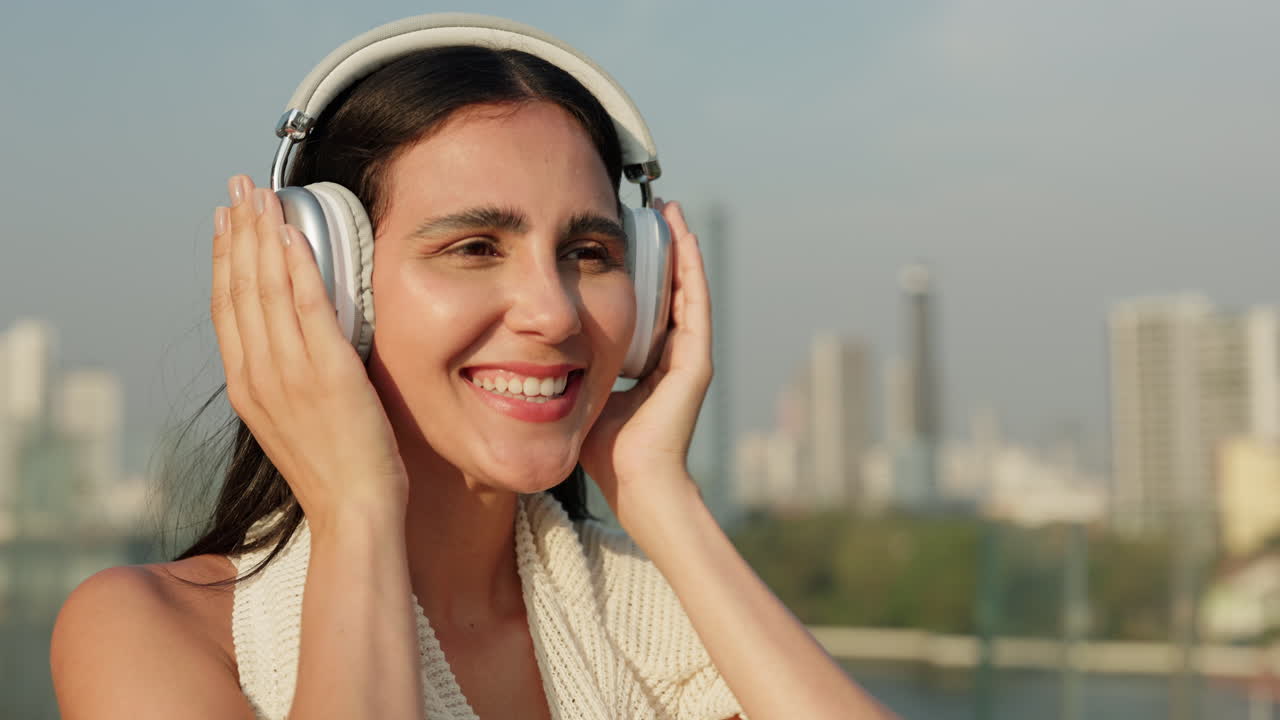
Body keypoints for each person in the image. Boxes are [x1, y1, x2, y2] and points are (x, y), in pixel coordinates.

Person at [50, 15, 893, 720]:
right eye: (475, 247)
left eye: (589, 252)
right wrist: (355, 513)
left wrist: (659, 496)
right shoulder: (150, 632)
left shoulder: (669, 623)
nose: (555, 313)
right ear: (332, 286)